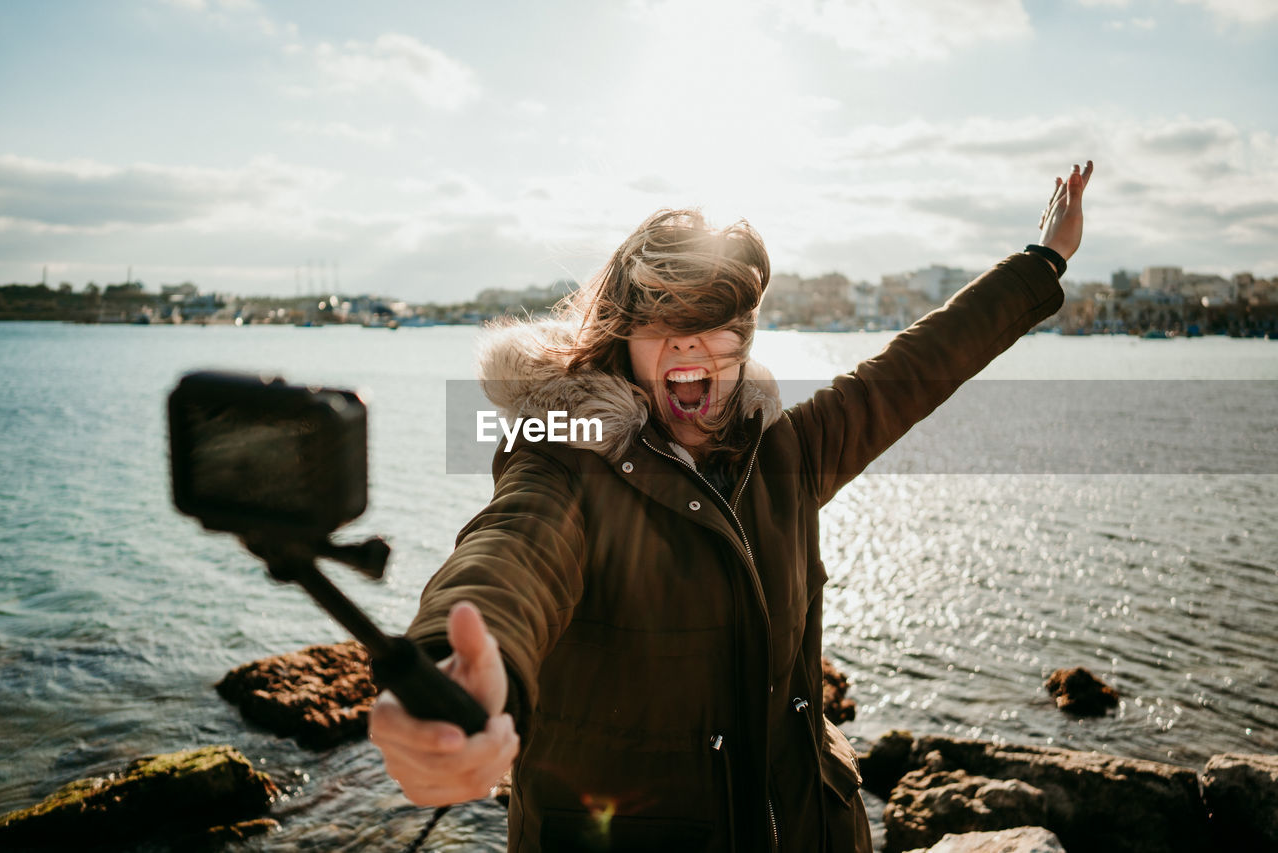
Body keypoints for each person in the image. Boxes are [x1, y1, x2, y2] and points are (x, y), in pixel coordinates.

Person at [370, 161, 1094, 852]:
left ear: (743, 337)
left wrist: (1043, 260)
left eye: (714, 320)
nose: (689, 341)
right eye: (662, 319)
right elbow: (508, 555)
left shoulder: (787, 454)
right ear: (623, 340)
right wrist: (455, 675)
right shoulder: (565, 458)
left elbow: (916, 367)